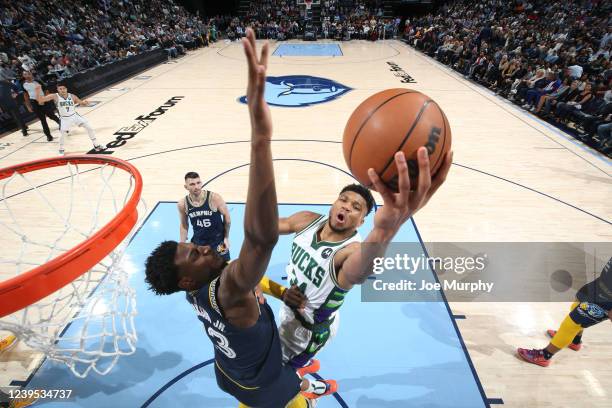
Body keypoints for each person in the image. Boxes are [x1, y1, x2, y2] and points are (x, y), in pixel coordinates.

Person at [145, 29, 335, 408]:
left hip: (231, 372)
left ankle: (297, 376)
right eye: (195, 254)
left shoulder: (195, 291)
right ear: (187, 277)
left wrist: (277, 292)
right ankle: (310, 391)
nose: (201, 246)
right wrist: (260, 137)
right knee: (298, 404)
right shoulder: (228, 288)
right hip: (265, 390)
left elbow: (247, 275)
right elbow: (262, 240)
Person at [517, 257, 612, 367]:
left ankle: (544, 356)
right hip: (599, 285)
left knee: (571, 324)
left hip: (606, 300)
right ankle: (575, 340)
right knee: (576, 305)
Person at [34, 82, 103, 155]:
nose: (62, 90)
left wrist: (85, 103)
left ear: (66, 89)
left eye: (64, 88)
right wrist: (37, 90)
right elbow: (40, 101)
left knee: (89, 128)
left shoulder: (72, 96)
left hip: (74, 116)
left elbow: (81, 103)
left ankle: (96, 145)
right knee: (62, 135)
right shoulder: (55, 96)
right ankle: (61, 149)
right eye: (60, 89)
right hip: (64, 119)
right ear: (57, 90)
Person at [178, 172, 231, 261]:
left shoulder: (215, 198)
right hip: (198, 243)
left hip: (218, 242)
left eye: (198, 183)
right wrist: (182, 244)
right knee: (200, 270)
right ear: (186, 187)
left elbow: (227, 219)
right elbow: (184, 225)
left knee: (224, 267)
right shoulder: (183, 204)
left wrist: (226, 238)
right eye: (192, 184)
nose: (196, 186)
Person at [21, 71, 60, 142]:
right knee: (43, 120)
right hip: (34, 102)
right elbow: (26, 95)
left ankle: (60, 123)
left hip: (43, 100)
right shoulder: (23, 84)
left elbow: (46, 91)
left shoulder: (37, 81)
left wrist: (46, 99)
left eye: (28, 74)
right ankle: (48, 135)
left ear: (31, 74)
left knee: (51, 115)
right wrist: (28, 106)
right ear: (23, 76)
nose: (27, 75)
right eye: (25, 74)